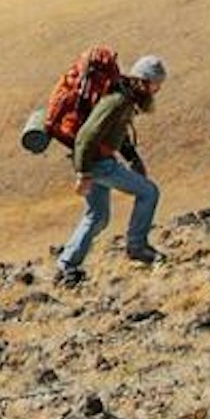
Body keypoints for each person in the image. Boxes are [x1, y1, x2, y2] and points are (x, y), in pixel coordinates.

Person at [54, 52, 167, 283]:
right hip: (98, 165)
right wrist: (84, 174)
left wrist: (133, 159)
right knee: (149, 192)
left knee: (98, 216)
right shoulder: (118, 101)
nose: (157, 91)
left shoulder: (125, 98)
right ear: (144, 82)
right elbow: (86, 136)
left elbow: (117, 133)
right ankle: (137, 247)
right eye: (156, 85)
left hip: (96, 161)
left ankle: (67, 265)